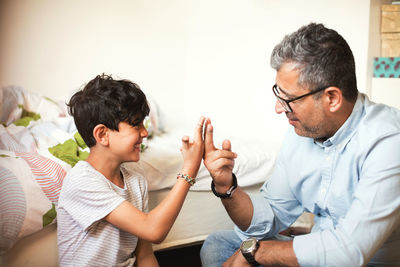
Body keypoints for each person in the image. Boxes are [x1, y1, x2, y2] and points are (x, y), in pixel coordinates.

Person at [200, 23, 400, 266]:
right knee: (218, 244)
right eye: (278, 94)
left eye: (288, 99)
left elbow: (350, 251)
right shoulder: (301, 133)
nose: (277, 108)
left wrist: (256, 252)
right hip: (321, 252)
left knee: (245, 251)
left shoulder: (388, 140)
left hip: (361, 260)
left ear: (332, 98)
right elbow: (271, 215)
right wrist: (226, 187)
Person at [57, 74, 206, 266]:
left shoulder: (135, 180)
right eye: (136, 124)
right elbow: (153, 230)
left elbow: (145, 256)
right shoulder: (82, 182)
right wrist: (189, 170)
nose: (144, 132)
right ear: (102, 134)